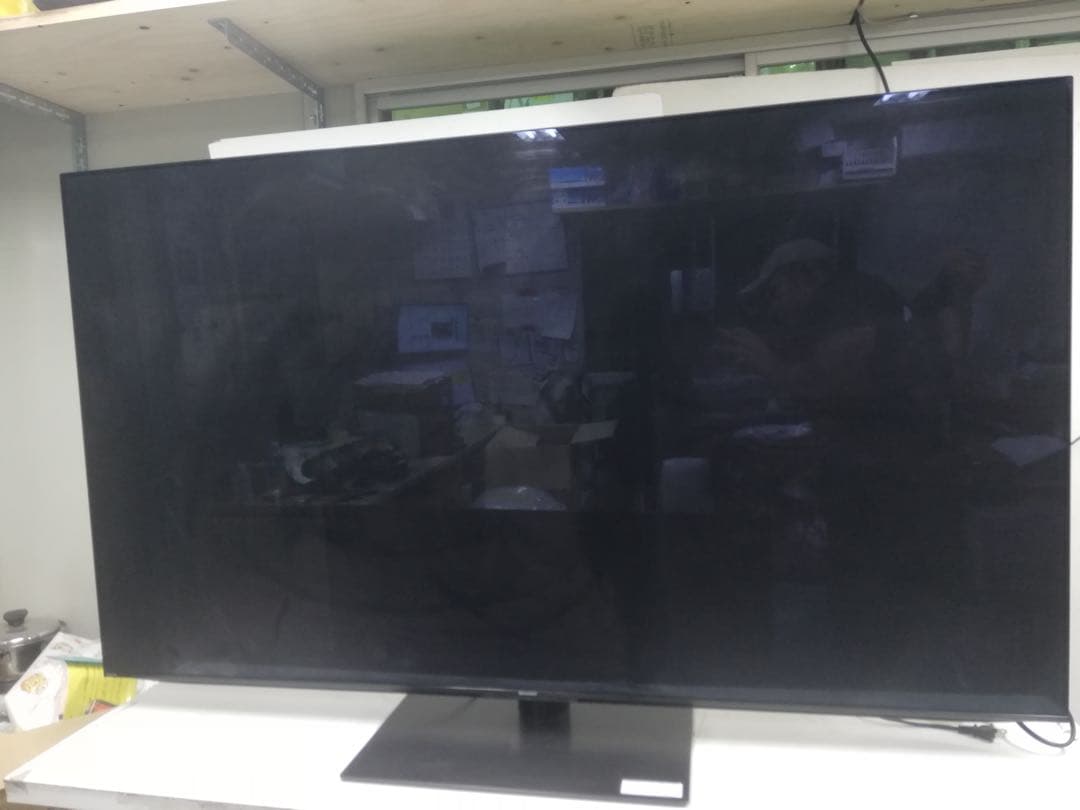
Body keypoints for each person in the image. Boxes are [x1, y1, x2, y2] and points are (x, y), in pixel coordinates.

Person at [716, 238, 905, 405]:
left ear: (806, 278)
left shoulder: (854, 304)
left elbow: (830, 385)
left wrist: (774, 368)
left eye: (775, 293)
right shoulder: (821, 320)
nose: (773, 308)